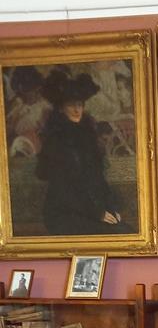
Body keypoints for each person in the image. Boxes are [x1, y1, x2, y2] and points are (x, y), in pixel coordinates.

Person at [35, 69, 132, 236]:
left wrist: (109, 207)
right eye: (71, 105)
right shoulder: (55, 141)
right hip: (63, 212)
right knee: (112, 234)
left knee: (125, 231)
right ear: (61, 109)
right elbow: (63, 188)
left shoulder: (87, 136)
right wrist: (97, 213)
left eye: (79, 104)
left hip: (90, 208)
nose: (76, 110)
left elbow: (97, 177)